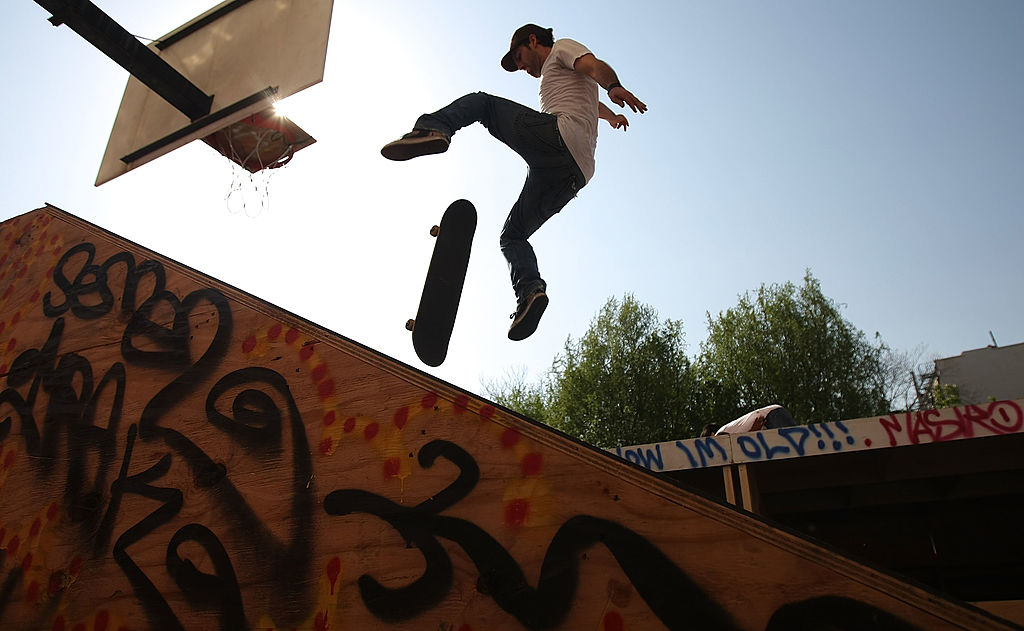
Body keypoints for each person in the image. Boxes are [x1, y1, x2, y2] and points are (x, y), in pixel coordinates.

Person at [381, 24, 647, 341]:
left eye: (519, 57)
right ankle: (531, 293)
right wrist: (610, 117)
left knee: (483, 104)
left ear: (533, 41)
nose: (521, 66)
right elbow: (592, 100)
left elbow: (593, 66)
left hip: (558, 140)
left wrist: (613, 85)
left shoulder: (562, 48)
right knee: (512, 236)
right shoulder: (564, 81)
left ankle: (432, 128)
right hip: (574, 174)